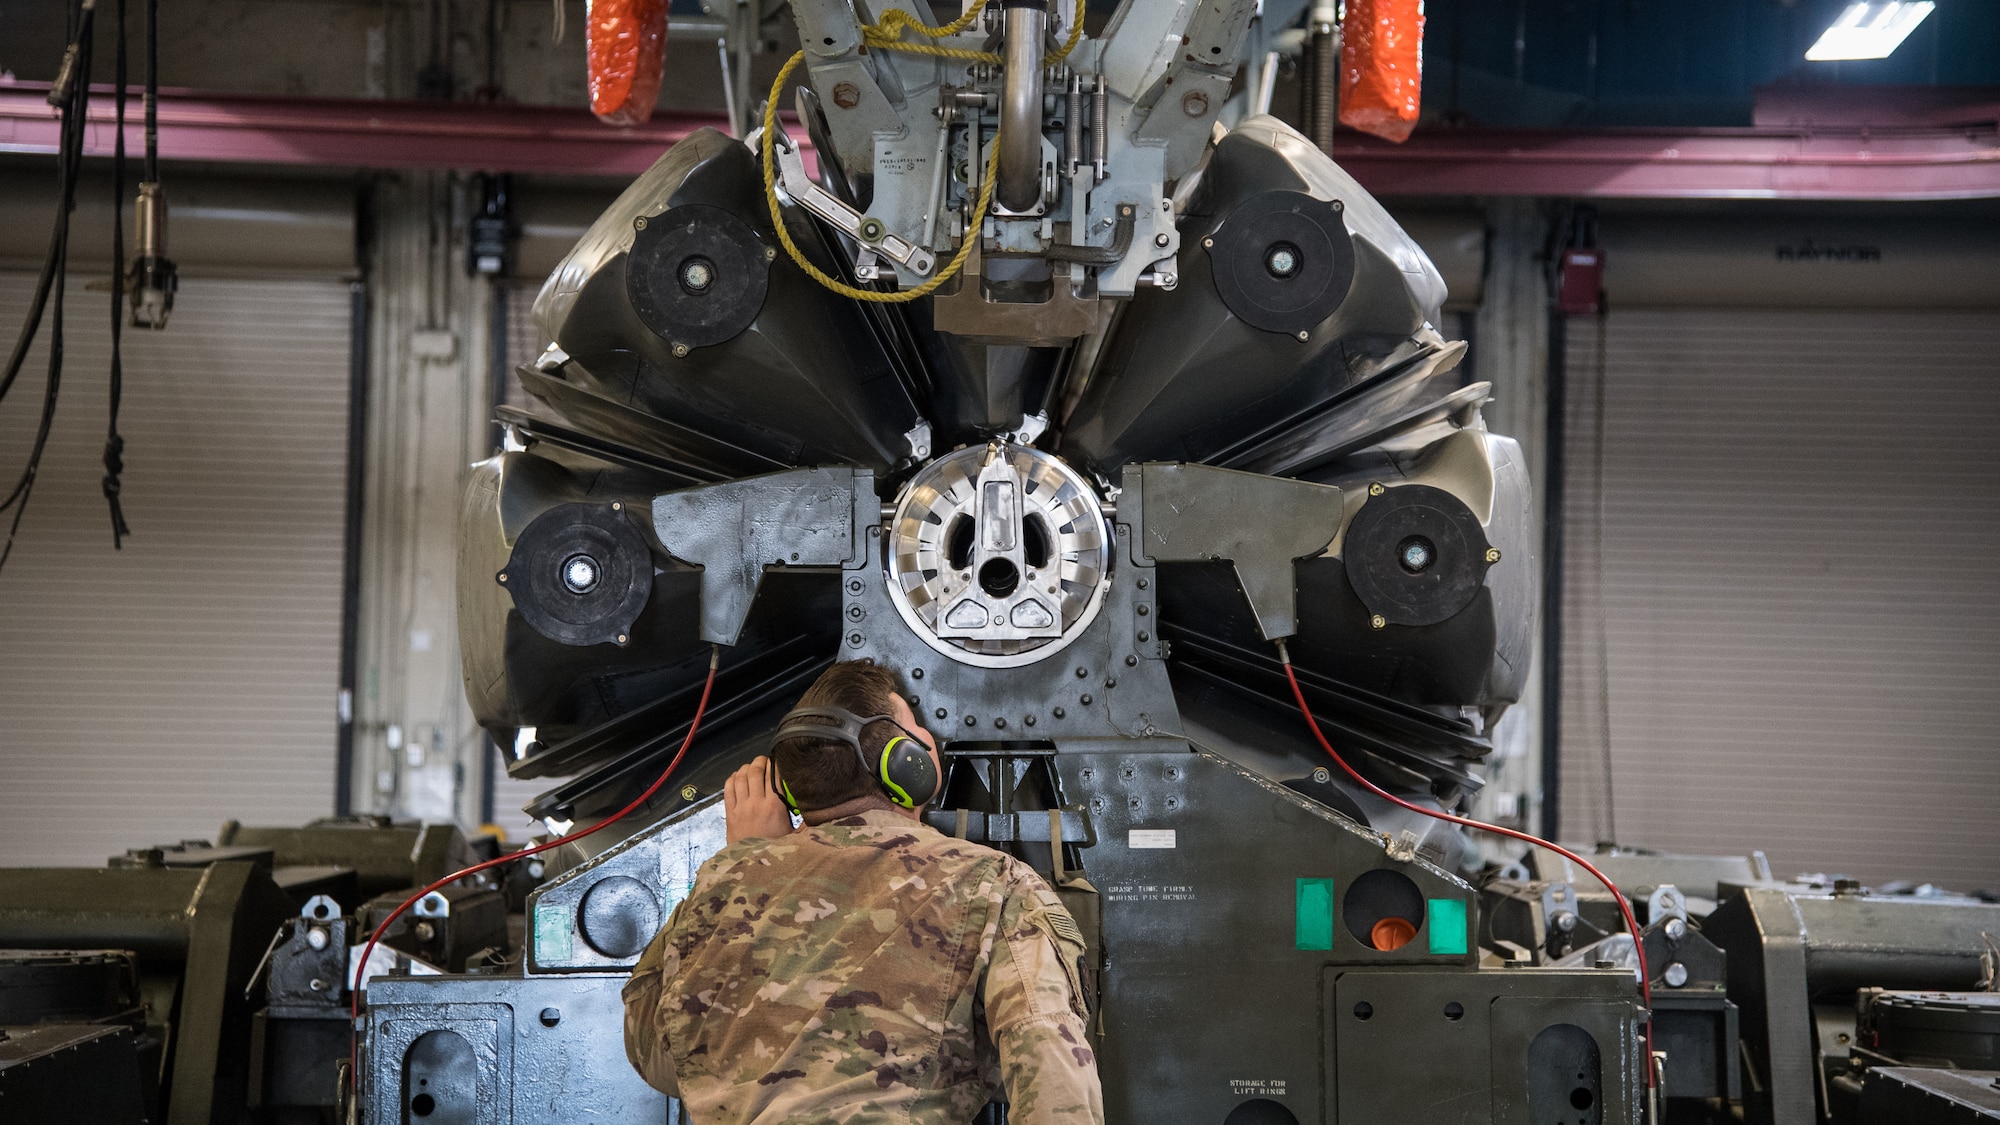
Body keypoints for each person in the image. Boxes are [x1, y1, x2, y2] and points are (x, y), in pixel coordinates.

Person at [622, 659, 1105, 1124]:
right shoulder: (995, 883)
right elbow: (1050, 1069)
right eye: (916, 731)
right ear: (908, 765)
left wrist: (746, 863)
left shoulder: (724, 886)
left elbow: (656, 1055)